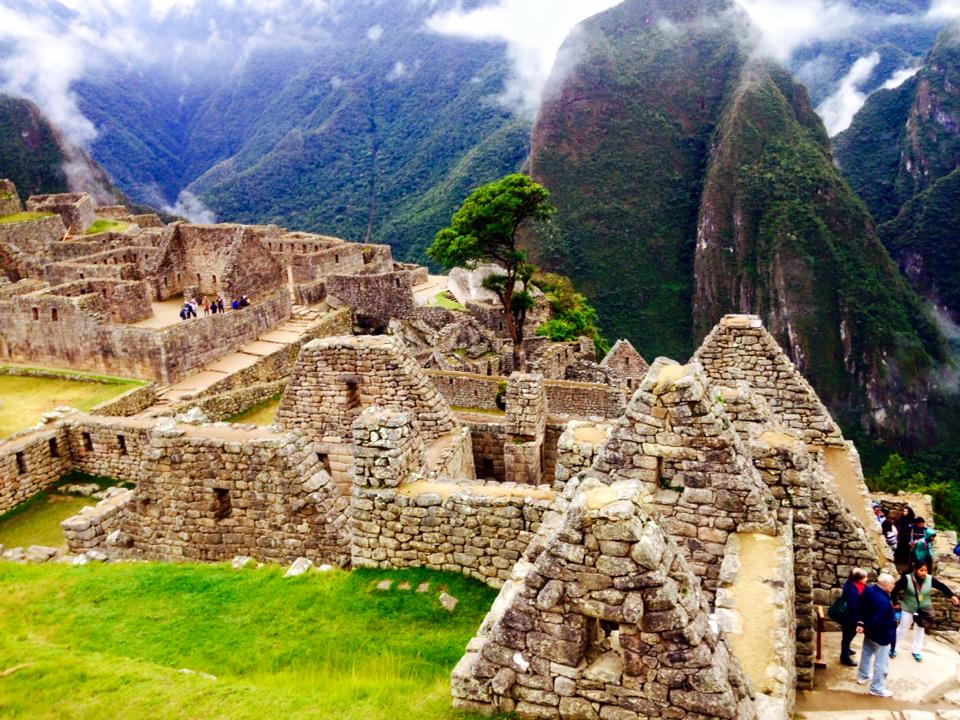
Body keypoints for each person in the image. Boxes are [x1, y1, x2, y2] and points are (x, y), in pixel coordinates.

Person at [891, 563, 959, 662]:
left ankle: (916, 651)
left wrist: (952, 596)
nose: (924, 573)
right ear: (915, 570)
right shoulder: (907, 579)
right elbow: (894, 590)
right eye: (921, 570)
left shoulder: (929, 579)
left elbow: (941, 586)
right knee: (902, 629)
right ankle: (893, 648)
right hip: (909, 608)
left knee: (920, 630)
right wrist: (895, 603)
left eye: (926, 571)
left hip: (924, 610)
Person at [856, 573, 898, 698]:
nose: (894, 586)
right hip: (881, 634)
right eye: (892, 584)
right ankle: (877, 688)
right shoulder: (883, 602)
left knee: (867, 652)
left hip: (870, 632)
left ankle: (862, 676)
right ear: (885, 585)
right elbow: (877, 619)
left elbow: (861, 606)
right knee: (881, 662)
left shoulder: (868, 590)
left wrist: (862, 623)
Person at [840, 568, 869, 666]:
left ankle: (847, 649)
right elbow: (854, 607)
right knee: (848, 637)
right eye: (864, 577)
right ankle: (844, 657)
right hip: (850, 617)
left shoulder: (855, 584)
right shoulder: (852, 590)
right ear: (858, 579)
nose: (866, 579)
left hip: (851, 615)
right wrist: (858, 621)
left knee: (848, 636)